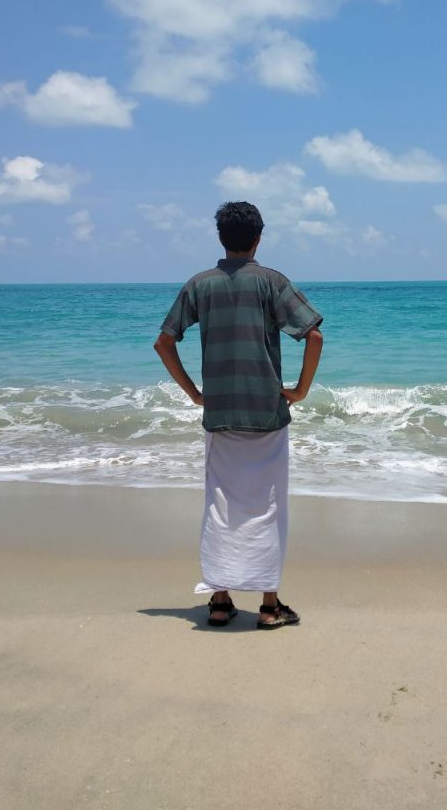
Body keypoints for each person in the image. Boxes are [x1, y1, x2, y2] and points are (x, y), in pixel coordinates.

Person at [153, 201, 323, 630]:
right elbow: (314, 335)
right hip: (266, 411)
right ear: (259, 237)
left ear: (220, 238)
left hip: (222, 413)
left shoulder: (200, 285)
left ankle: (220, 600)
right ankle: (269, 605)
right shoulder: (271, 282)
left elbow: (164, 343)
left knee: (220, 505)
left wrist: (195, 393)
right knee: (268, 506)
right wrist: (300, 391)